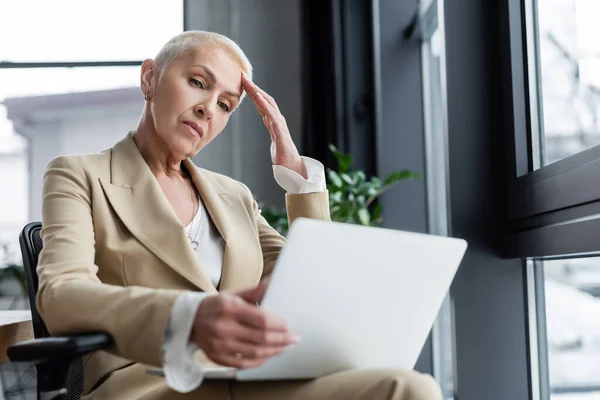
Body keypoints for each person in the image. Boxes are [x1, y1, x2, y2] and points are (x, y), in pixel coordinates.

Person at [36, 30, 443, 400]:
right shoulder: (80, 175)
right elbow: (61, 295)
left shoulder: (235, 197)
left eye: (226, 105)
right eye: (197, 83)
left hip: (247, 380)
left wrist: (299, 180)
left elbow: (312, 282)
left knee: (406, 387)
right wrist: (187, 318)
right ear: (150, 79)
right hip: (150, 386)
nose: (208, 109)